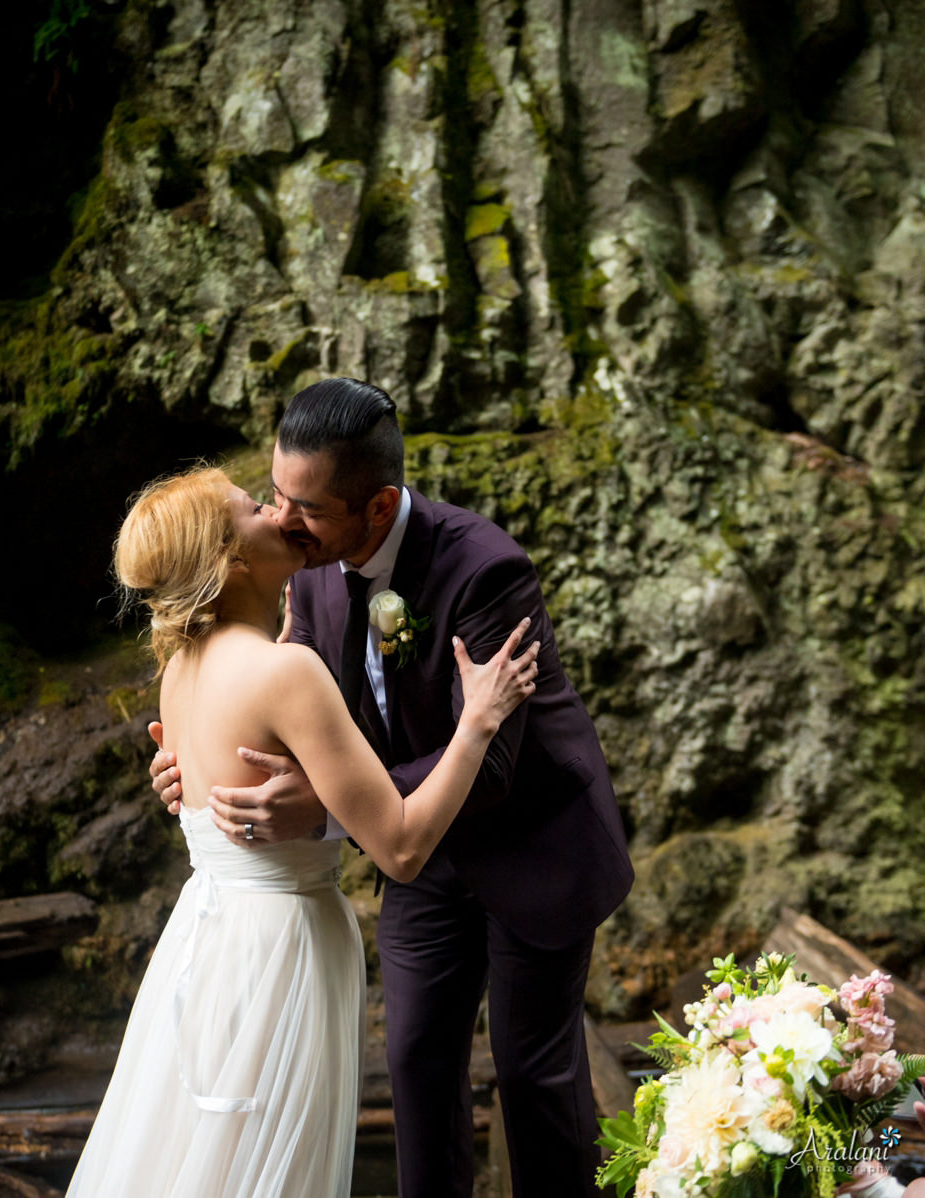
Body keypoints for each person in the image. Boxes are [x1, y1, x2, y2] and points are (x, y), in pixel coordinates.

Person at [150, 378, 634, 1197]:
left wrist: (331, 806)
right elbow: (291, 719)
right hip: (420, 860)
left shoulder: (487, 570)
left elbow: (496, 766)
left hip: (532, 846)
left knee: (531, 1077)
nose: (282, 519)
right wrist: (199, 767)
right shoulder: (308, 572)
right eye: (273, 495)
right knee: (414, 1063)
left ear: (378, 507)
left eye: (304, 506)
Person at [65, 465, 540, 1198]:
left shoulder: (182, 670)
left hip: (210, 942)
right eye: (255, 507)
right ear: (232, 560)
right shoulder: (285, 673)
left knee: (209, 1155)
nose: (278, 511)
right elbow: (404, 847)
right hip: (282, 954)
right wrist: (477, 723)